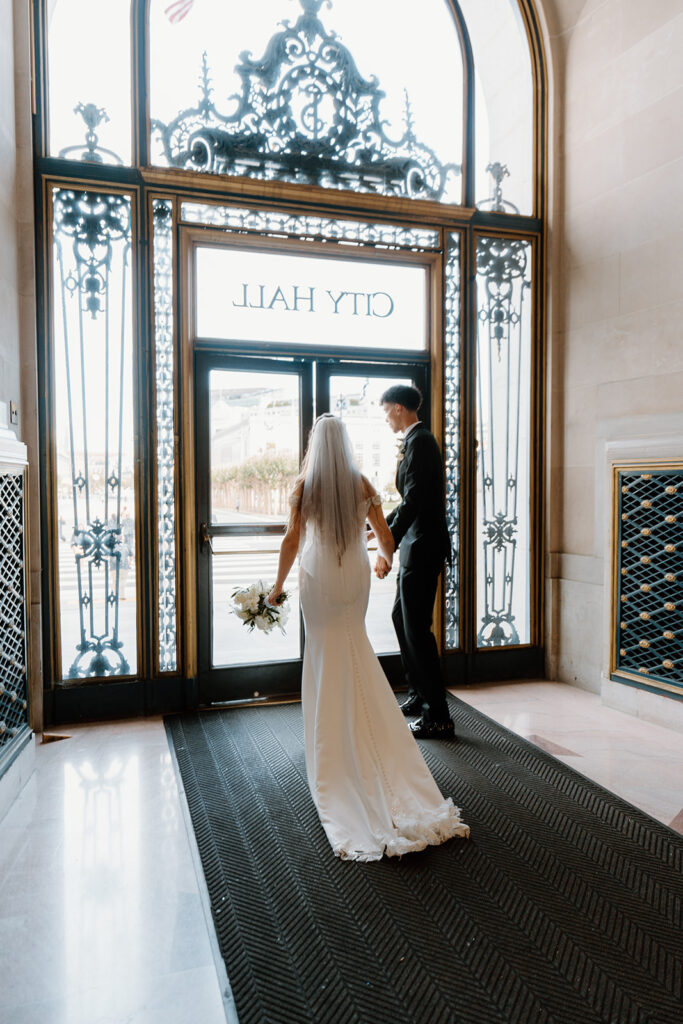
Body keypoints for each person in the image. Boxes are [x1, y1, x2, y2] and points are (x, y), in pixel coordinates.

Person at [267, 414, 468, 862]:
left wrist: (277, 587)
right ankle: (371, 738)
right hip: (352, 577)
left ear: (315, 445)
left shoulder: (304, 486)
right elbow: (385, 539)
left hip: (318, 577)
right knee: (355, 648)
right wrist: (380, 558)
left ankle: (333, 744)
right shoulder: (360, 482)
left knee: (323, 654)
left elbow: (291, 540)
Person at [377, 385, 455, 740]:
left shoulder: (421, 441)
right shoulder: (416, 441)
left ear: (397, 408)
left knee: (417, 632)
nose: (385, 417)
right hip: (415, 547)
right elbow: (409, 499)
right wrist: (379, 529)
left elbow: (414, 503)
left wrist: (386, 540)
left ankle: (436, 715)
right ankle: (418, 693)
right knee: (400, 619)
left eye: (385, 410)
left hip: (422, 550)